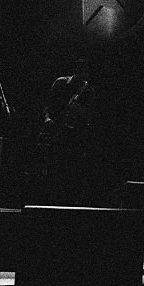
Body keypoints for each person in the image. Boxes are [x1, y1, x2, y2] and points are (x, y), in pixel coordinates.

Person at [36, 58, 96, 205]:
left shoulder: (88, 91)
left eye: (85, 73)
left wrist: (79, 113)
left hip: (73, 136)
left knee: (69, 171)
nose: (83, 76)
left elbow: (90, 116)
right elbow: (47, 105)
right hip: (54, 129)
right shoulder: (60, 83)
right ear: (75, 71)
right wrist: (47, 119)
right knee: (49, 169)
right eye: (81, 72)